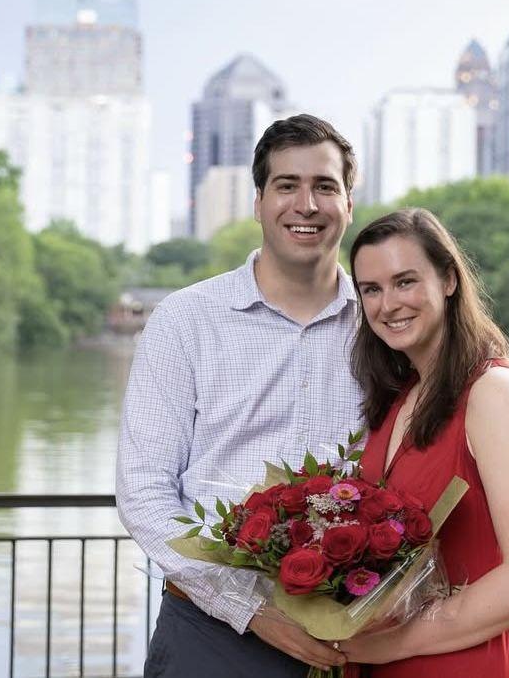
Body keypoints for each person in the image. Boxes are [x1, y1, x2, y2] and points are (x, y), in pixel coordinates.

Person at [116, 114, 363, 677]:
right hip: (208, 633)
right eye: (286, 185)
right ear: (258, 202)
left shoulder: (383, 326)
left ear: (349, 202)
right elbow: (144, 491)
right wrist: (245, 607)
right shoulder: (186, 319)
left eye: (325, 186)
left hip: (353, 635)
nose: (306, 204)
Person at [340, 208, 509, 677]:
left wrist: (395, 643)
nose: (388, 304)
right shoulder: (396, 401)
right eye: (371, 290)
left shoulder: (493, 392)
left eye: (405, 281)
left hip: (470, 662)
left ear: (447, 280)